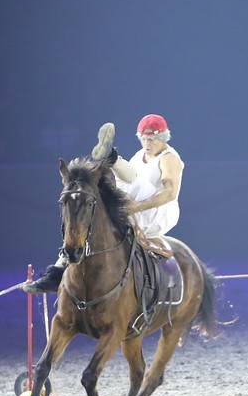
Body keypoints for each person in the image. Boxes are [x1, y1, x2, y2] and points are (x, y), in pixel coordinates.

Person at [23, 114, 184, 294]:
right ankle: (58, 270)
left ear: (162, 138)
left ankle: (112, 158)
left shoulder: (169, 158)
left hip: (158, 211)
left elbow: (170, 193)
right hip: (135, 207)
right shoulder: (140, 155)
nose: (147, 144)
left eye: (152, 140)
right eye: (144, 139)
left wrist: (136, 207)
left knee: (136, 182)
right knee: (95, 211)